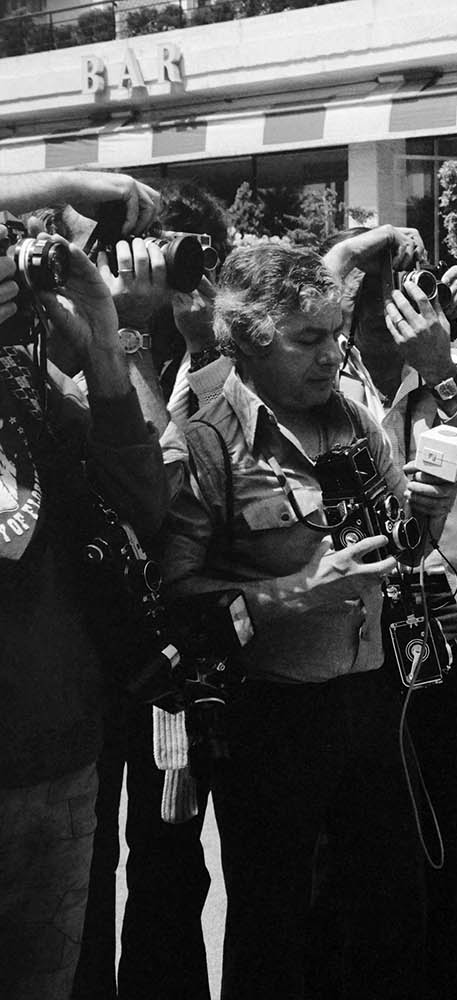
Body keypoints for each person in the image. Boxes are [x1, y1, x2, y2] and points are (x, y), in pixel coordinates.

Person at [159, 242, 456, 1000]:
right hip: (270, 720)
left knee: (390, 917)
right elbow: (177, 600)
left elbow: (404, 547)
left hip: (371, 701)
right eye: (309, 339)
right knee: (273, 926)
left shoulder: (354, 416)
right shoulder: (206, 434)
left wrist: (429, 513)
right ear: (250, 342)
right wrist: (295, 590)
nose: (332, 356)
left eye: (337, 335)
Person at [312, 225, 457, 998]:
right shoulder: (317, 379)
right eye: (384, 291)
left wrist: (444, 370)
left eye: (416, 287)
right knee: (365, 827)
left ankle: (450, 970)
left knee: (451, 818)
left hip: (454, 623)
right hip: (360, 621)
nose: (408, 304)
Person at [1, 171, 168, 1000]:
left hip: (60, 758)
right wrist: (64, 178)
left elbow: (145, 501)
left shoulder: (27, 381)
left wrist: (106, 343)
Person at [74, 180, 233, 1000]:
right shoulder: (74, 337)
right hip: (97, 655)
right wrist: (123, 328)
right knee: (87, 861)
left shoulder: (210, 346)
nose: (175, 271)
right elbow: (153, 485)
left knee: (172, 856)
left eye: (186, 256)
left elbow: (215, 466)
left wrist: (197, 344)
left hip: (182, 655)